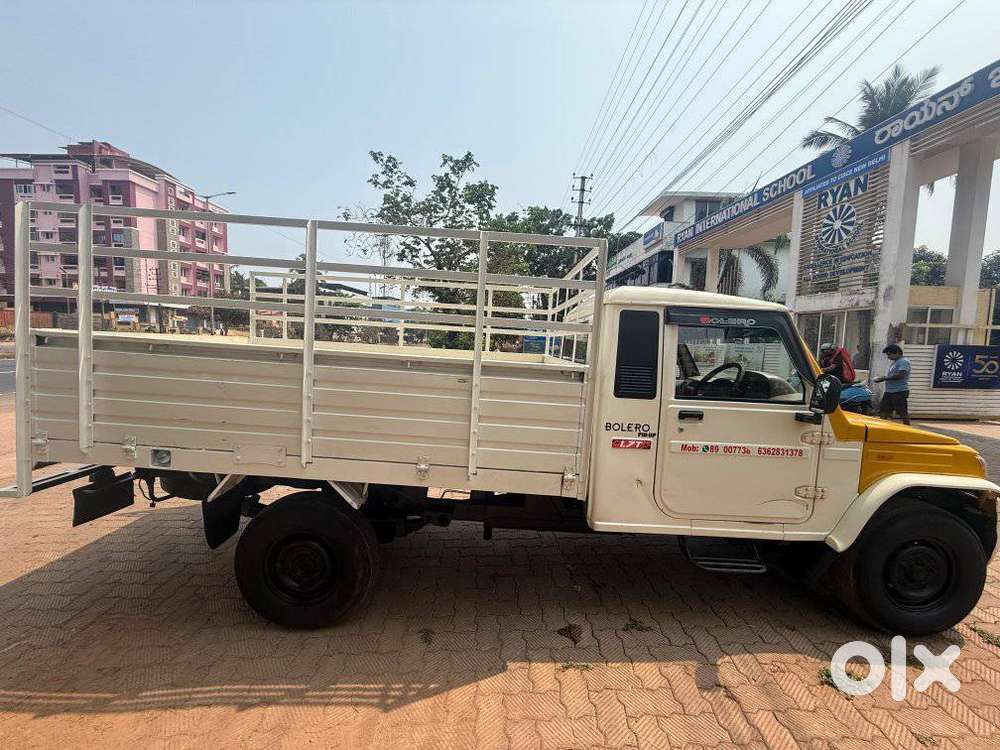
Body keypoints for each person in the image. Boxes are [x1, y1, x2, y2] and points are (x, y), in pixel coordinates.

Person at [874, 343, 911, 424]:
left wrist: (884, 378)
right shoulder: (895, 362)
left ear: (897, 352)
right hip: (890, 391)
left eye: (889, 355)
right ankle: (881, 428)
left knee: (902, 412)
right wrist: (883, 377)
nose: (888, 357)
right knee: (883, 411)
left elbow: (901, 375)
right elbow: (892, 375)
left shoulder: (903, 362)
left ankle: (908, 428)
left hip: (899, 392)